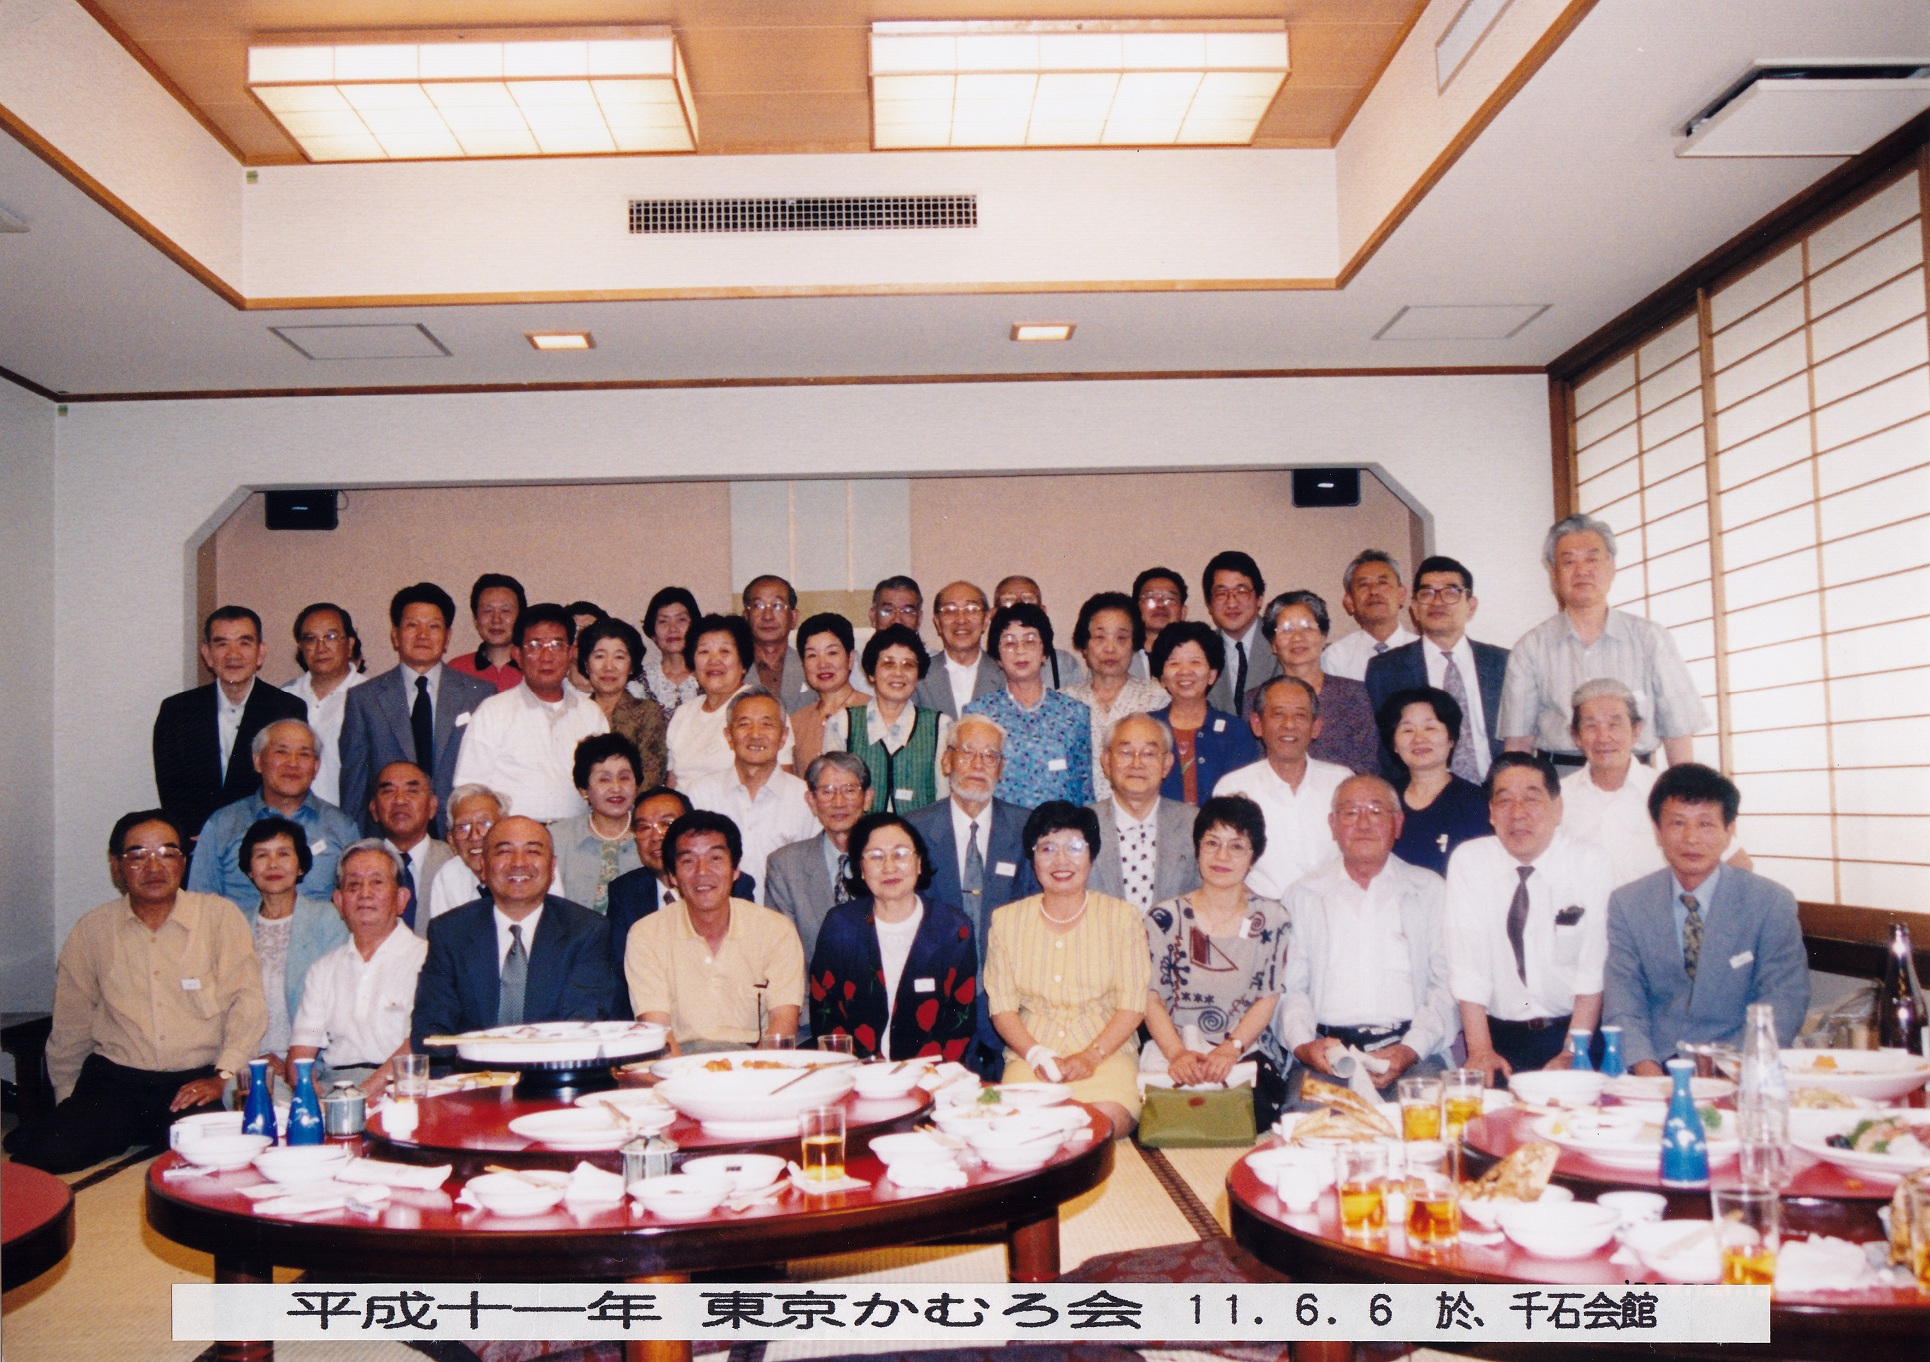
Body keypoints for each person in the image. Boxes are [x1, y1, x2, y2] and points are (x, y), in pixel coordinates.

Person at [8, 813, 266, 1173]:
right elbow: (71, 1025)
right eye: (138, 855)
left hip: (191, 1084)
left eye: (167, 853)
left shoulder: (219, 917)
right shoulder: (92, 930)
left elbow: (249, 1002)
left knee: (213, 1165)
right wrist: (70, 1103)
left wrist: (222, 1077)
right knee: (42, 1158)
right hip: (115, 1082)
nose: (154, 866)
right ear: (117, 867)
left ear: (183, 862)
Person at [1604, 765, 1808, 1074]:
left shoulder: (1770, 902)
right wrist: (1648, 1073)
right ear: (1658, 832)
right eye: (1677, 823)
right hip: (1656, 1065)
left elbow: (1784, 1002)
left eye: (1705, 824)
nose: (1691, 838)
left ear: (1728, 833)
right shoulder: (1628, 903)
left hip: (1742, 1065)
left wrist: (1727, 1071)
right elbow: (1624, 1003)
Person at [1277, 777, 1459, 1099]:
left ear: (1398, 823)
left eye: (1376, 811)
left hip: (1413, 1053)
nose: (1363, 823)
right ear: (1333, 826)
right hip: (1328, 1056)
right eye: (1350, 812)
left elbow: (1446, 985)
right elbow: (1291, 989)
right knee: (1309, 1131)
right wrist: (1305, 1046)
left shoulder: (1430, 890)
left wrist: (1409, 1050)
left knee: (1433, 1133)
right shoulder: (1302, 895)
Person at [984, 802, 1150, 1139]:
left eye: (1074, 847)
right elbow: (1001, 1007)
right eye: (1048, 848)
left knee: (1103, 1121)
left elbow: (1133, 1004)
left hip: (1107, 1056)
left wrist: (1091, 1056)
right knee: (1020, 1122)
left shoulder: (1122, 918)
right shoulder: (1006, 921)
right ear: (1033, 858)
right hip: (1032, 1060)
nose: (1061, 860)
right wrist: (1036, 1053)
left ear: (1091, 855)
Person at [1444, 753, 1613, 1082]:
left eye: (1531, 798)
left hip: (1576, 1033)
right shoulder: (1470, 861)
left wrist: (1571, 1053)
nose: (1517, 813)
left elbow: (1593, 968)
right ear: (1491, 813)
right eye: (1504, 801)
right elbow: (1467, 965)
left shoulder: (1589, 863)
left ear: (1557, 809)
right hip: (1497, 1040)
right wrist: (1479, 1050)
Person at [1499, 514, 1710, 768]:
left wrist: (1683, 795)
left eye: (1592, 558)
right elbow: (1518, 742)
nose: (1582, 570)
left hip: (1636, 779)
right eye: (1569, 561)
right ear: (1553, 573)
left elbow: (1678, 729)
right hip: (1561, 782)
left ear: (1611, 567)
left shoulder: (1650, 638)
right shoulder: (1530, 648)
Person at [1143, 795, 1290, 1122]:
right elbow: (1150, 996)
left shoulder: (1273, 918)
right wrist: (1177, 1054)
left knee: (1248, 1114)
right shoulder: (1165, 918)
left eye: (1237, 846)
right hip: (1176, 1047)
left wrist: (1231, 1048)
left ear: (1253, 857)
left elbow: (1269, 996)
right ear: (1197, 849)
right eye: (1212, 843)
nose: (1222, 856)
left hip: (1244, 1049)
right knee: (1169, 1117)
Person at [906, 716, 1040, 1074]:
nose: (978, 765)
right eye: (967, 752)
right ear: (947, 760)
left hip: (1012, 1001)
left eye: (990, 755)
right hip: (934, 1001)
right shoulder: (913, 829)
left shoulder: (1028, 828)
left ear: (1002, 768)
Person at [411, 817, 614, 1048]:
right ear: (484, 867)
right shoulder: (449, 932)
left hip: (551, 1077)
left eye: (533, 851)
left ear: (552, 865)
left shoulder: (586, 931)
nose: (519, 863)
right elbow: (432, 1032)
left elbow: (582, 1027)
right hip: (473, 1076)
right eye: (505, 851)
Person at [626, 810, 805, 1053]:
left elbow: (783, 1026)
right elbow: (659, 1035)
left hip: (755, 1066)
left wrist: (754, 1079)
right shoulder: (646, 935)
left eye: (716, 858)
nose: (702, 871)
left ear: (735, 870)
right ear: (672, 876)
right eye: (688, 861)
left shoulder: (776, 930)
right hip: (680, 1067)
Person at [809, 812, 979, 1062]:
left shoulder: (953, 929)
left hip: (931, 1076)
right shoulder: (840, 926)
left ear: (919, 863)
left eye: (900, 854)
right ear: (861, 869)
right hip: (855, 1074)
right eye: (876, 856)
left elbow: (960, 1024)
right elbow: (825, 1016)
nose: (889, 867)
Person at [339, 582, 496, 834]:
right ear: (395, 634)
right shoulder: (365, 699)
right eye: (412, 625)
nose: (423, 635)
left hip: (459, 835)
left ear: (447, 637)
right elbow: (354, 786)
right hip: (388, 839)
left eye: (433, 626)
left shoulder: (479, 694)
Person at [153, 605, 308, 845]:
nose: (233, 654)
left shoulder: (287, 709)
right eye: (222, 643)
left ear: (260, 653)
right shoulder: (176, 711)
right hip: (197, 844)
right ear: (207, 654)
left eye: (244, 643)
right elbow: (170, 789)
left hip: (264, 844)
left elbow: (289, 784)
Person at [287, 840, 428, 1096]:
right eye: (353, 884)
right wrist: (311, 1095)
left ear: (401, 898)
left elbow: (416, 1046)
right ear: (339, 902)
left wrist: (357, 1099)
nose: (364, 893)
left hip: (396, 1086)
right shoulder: (323, 969)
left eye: (377, 882)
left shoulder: (427, 959)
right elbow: (301, 1053)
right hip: (333, 1085)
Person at [451, 603, 611, 822]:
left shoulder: (591, 714)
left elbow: (604, 784)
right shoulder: (493, 711)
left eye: (557, 645)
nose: (547, 656)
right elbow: (470, 789)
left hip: (575, 840)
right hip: (514, 840)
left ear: (571, 653)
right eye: (535, 645)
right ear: (517, 654)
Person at [605, 787, 754, 1016]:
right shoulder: (625, 891)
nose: (656, 836)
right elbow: (619, 980)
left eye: (667, 824)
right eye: (644, 827)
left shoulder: (731, 884)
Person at [188, 719, 359, 912]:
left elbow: (355, 903)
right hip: (241, 940)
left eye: (304, 754)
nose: (293, 763)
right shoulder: (222, 825)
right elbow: (199, 907)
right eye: (281, 752)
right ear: (258, 761)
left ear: (316, 766)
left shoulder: (342, 827)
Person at [1365, 555, 1509, 783]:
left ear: (1471, 606)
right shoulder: (1386, 669)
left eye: (1451, 592)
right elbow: (1381, 747)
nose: (1437, 602)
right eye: (1427, 593)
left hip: (1496, 789)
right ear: (1414, 608)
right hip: (1423, 793)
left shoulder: (1503, 663)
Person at [1212, 677, 1350, 901]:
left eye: (1300, 715)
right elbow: (1220, 863)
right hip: (1259, 916)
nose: (1289, 724)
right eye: (1277, 714)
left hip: (1333, 914)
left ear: (1316, 727)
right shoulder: (1232, 788)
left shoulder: (1342, 783)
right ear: (1257, 724)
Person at [237, 817, 348, 1086]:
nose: (273, 864)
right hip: (250, 1063)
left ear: (300, 866)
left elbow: (338, 1004)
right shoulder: (235, 925)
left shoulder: (327, 919)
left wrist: (290, 1061)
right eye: (262, 855)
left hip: (314, 1067)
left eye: (284, 853)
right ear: (250, 870)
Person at [683, 690, 817, 891]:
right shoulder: (700, 795)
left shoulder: (806, 799)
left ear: (783, 737)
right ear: (728, 736)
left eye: (767, 724)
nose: (755, 734)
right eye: (744, 724)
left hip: (783, 918)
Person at [966, 602, 1094, 807]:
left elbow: (1085, 789)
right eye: (1009, 643)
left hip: (1060, 832)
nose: (1020, 651)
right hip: (1001, 833)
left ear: (1044, 652)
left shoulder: (1074, 713)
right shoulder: (979, 714)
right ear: (998, 657)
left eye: (1030, 641)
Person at [764, 753, 873, 978]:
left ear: (868, 798)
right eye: (827, 791)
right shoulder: (785, 866)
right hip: (813, 1006)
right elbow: (783, 963)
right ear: (811, 802)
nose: (839, 802)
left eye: (850, 790)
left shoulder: (890, 863)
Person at [825, 624, 949, 813]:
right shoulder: (843, 724)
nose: (898, 673)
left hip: (921, 840)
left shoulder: (940, 727)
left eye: (908, 665)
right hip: (861, 839)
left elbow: (944, 801)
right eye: (888, 664)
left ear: (918, 674)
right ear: (871, 673)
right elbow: (834, 798)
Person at [1253, 589, 1378, 773]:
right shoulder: (1255, 699)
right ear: (1273, 644)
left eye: (1307, 627)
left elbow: (1367, 766)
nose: (1297, 638)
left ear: (1323, 637)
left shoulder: (1354, 694)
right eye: (1286, 629)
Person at [664, 614, 794, 786]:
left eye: (724, 651)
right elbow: (673, 784)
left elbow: (783, 782)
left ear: (743, 664)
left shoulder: (764, 707)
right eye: (704, 651)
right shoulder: (683, 714)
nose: (714, 660)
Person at [1063, 592, 1167, 800]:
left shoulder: (1157, 698)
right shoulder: (1064, 702)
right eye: (1100, 637)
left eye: (1121, 638)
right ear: (1084, 646)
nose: (1110, 648)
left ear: (1134, 644)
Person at [1088, 713, 1198, 909]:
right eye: (1125, 752)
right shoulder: (1081, 826)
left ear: (1167, 764)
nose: (1136, 764)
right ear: (1106, 761)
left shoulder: (1195, 825)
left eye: (1148, 753)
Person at [1378, 688, 1491, 875]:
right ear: (1394, 745)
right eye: (1407, 730)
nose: (1419, 738)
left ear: (1451, 739)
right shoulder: (1381, 798)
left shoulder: (1477, 804)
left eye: (1430, 728)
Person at [1147, 620, 1259, 807]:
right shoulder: (1146, 728)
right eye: (1174, 663)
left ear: (1212, 675)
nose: (1185, 671)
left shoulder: (1236, 731)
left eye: (1195, 662)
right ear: (1162, 678)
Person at [282, 602, 368, 807]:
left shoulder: (370, 698)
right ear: (301, 648)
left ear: (350, 644)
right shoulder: (284, 697)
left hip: (350, 825)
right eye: (311, 639)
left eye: (330, 637)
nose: (321, 648)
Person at [550, 733, 645, 913]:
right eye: (604, 779)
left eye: (624, 777)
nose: (616, 788)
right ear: (584, 789)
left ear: (637, 784)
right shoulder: (557, 839)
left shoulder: (651, 836)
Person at [576, 616, 668, 789]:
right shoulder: (574, 712)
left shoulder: (647, 713)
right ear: (586, 665)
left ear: (632, 666)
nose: (609, 667)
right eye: (599, 656)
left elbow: (651, 776)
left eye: (619, 657)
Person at [368, 760, 452, 931]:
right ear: (374, 809)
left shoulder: (453, 861)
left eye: (412, 791)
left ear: (432, 806)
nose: (400, 800)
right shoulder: (358, 866)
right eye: (388, 791)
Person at [788, 613, 869, 774]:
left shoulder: (873, 711)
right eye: (812, 655)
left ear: (850, 658)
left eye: (832, 653)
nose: (822, 664)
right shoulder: (795, 723)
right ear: (803, 665)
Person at [1321, 550, 1417, 682]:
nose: (1374, 591)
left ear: (1401, 595)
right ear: (1350, 602)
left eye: (1382, 583)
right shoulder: (1335, 657)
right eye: (1363, 585)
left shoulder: (1423, 652)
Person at [1200, 551, 1276, 715]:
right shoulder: (1201, 652)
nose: (1231, 602)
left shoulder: (1281, 644)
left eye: (1241, 591)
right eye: (1221, 593)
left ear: (1260, 598)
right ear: (1209, 604)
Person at [914, 580, 1003, 719]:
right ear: (937, 622)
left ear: (985, 620)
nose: (961, 620)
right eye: (949, 610)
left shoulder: (1005, 675)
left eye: (971, 609)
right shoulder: (919, 676)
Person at [424, 784, 507, 922]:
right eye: (463, 827)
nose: (474, 836)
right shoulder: (448, 876)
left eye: (484, 823)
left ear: (506, 829)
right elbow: (446, 938)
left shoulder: (529, 866)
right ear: (451, 841)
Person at [992, 576, 1087, 689]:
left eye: (1028, 599)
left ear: (1042, 611)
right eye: (1008, 600)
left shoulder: (1063, 664)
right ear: (993, 614)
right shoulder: (984, 665)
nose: (1018, 606)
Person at [447, 573, 526, 693]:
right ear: (475, 619)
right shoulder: (456, 670)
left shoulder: (535, 668)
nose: (496, 619)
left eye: (505, 611)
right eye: (488, 610)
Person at [742, 575, 810, 709]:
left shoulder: (811, 667)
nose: (767, 616)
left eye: (777, 606)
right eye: (758, 606)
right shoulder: (733, 669)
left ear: (794, 618)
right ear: (746, 617)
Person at [637, 586, 701, 714]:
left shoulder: (710, 674)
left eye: (681, 620)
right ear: (653, 633)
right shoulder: (639, 682)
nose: (673, 629)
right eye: (663, 622)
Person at [1129, 566, 1189, 680]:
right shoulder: (1121, 656)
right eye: (1151, 598)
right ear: (1135, 609)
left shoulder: (1194, 657)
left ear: (1183, 612)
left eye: (1170, 599)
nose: (1161, 605)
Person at [563, 599, 609, 694]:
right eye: (574, 631)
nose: (579, 638)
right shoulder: (551, 687)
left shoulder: (620, 688)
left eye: (587, 631)